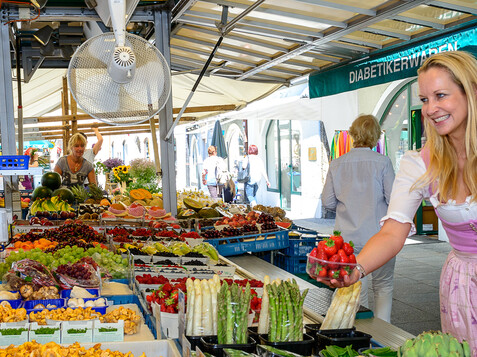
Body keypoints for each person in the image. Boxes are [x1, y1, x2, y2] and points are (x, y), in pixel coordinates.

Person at [321, 51, 477, 353]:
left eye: (441, 95)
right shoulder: (419, 163)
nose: (431, 108)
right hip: (460, 283)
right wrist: (357, 269)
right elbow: (393, 232)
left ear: (471, 91)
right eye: (425, 99)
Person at [321, 114, 395, 322]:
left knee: (353, 287)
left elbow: (327, 202)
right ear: (375, 136)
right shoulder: (383, 162)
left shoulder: (337, 164)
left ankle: (355, 332)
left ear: (353, 134)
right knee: (384, 285)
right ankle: (382, 336)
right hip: (380, 237)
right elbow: (393, 199)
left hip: (346, 239)